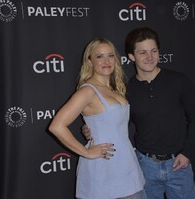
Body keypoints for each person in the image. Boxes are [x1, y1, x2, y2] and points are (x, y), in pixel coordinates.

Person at [83, 27, 195, 199]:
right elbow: (117, 121)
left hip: (179, 165)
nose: (150, 57)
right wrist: (92, 128)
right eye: (143, 53)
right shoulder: (125, 91)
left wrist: (187, 153)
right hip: (145, 167)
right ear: (131, 56)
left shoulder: (179, 80)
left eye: (154, 51)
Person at [49, 38, 146, 199]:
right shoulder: (88, 91)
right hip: (103, 168)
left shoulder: (115, 88)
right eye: (100, 56)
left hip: (127, 165)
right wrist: (86, 152)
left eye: (110, 55)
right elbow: (57, 126)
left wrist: (89, 128)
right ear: (89, 61)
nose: (106, 61)